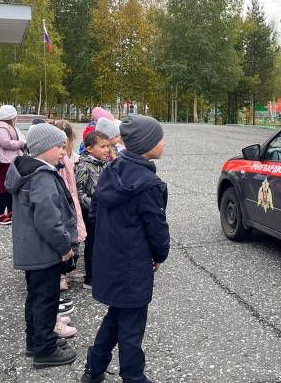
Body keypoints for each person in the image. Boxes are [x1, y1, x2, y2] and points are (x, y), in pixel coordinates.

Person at [81, 115, 170, 383]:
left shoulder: (110, 169)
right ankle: (133, 377)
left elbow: (95, 211)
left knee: (116, 315)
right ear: (147, 144)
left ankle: (94, 369)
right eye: (159, 138)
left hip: (110, 257)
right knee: (131, 327)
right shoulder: (148, 184)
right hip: (133, 263)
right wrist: (159, 254)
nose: (164, 143)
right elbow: (156, 227)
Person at [5, 123, 78, 369]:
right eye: (59, 146)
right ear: (43, 148)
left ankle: (36, 341)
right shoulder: (42, 176)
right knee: (46, 299)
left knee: (36, 297)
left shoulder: (27, 171)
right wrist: (65, 245)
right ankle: (45, 350)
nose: (64, 151)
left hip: (32, 249)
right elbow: (48, 220)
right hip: (44, 250)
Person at [52, 120, 87, 295]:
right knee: (63, 235)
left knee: (75, 234)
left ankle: (70, 269)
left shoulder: (70, 156)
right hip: (61, 201)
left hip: (71, 199)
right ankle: (60, 274)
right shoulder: (56, 160)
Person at [75, 130, 111, 290]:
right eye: (102, 146)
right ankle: (90, 278)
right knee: (93, 244)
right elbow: (79, 190)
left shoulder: (105, 164)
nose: (107, 150)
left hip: (106, 210)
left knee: (105, 243)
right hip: (91, 212)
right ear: (89, 148)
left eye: (108, 146)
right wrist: (92, 205)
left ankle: (104, 272)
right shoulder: (84, 166)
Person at [0, 105, 26, 225]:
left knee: (11, 188)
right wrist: (22, 143)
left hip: (10, 160)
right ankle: (0, 214)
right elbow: (6, 143)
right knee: (4, 189)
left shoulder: (6, 126)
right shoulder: (0, 127)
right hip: (4, 161)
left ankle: (11, 211)